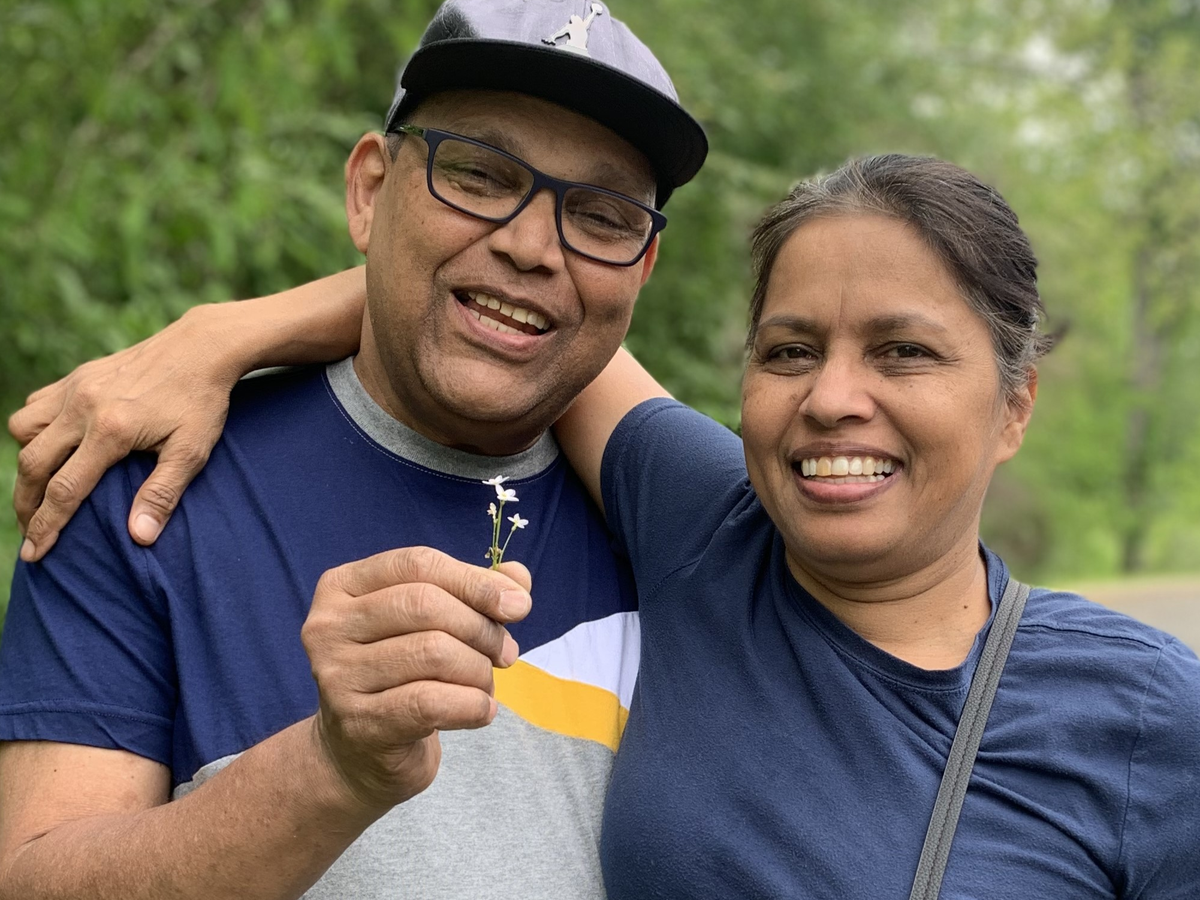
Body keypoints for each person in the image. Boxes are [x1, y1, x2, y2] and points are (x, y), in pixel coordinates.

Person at [18, 154, 1200, 897]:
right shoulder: (705, 523)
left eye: (903, 352)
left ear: (1014, 404)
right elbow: (508, 311)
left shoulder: (1145, 714)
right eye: (791, 350)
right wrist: (219, 336)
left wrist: (223, 330)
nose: (835, 398)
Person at [0, 0, 708, 898]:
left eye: (602, 215)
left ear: (643, 268)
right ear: (370, 191)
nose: (533, 246)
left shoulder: (689, 546)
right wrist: (331, 770)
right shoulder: (149, 490)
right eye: (479, 173)